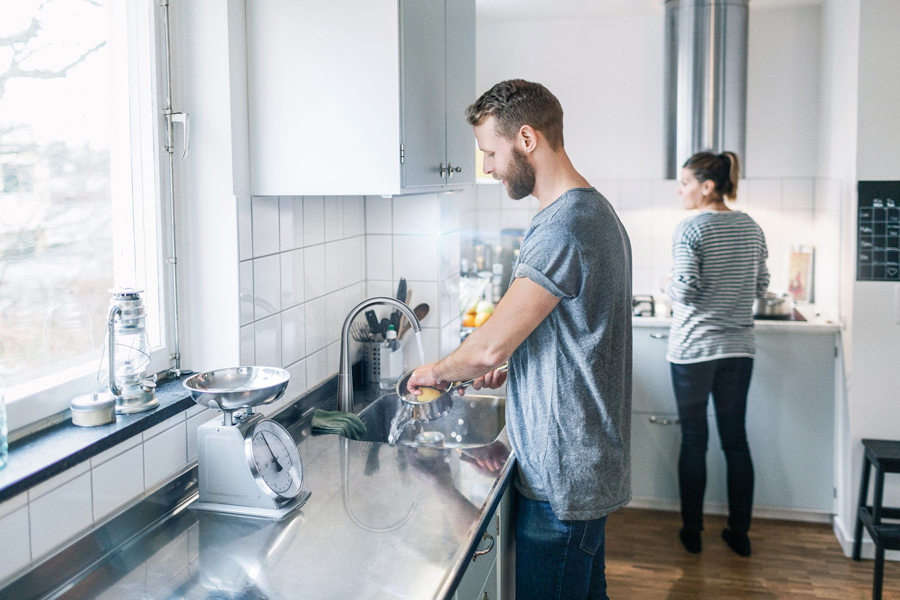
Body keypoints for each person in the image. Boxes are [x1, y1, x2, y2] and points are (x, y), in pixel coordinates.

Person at [407, 79, 633, 600]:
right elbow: (574, 333)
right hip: (581, 469)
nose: (486, 167)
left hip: (562, 480)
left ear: (526, 138)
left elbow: (488, 346)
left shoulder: (563, 226)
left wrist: (433, 373)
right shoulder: (590, 211)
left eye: (490, 151)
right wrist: (525, 364)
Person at [663, 151, 769, 557]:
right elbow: (761, 286)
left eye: (685, 182)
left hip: (693, 351)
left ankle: (693, 533)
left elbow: (685, 289)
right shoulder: (751, 227)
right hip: (738, 351)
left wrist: (665, 283)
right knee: (735, 440)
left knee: (694, 440)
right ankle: (738, 534)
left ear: (707, 186)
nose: (680, 190)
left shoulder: (691, 228)